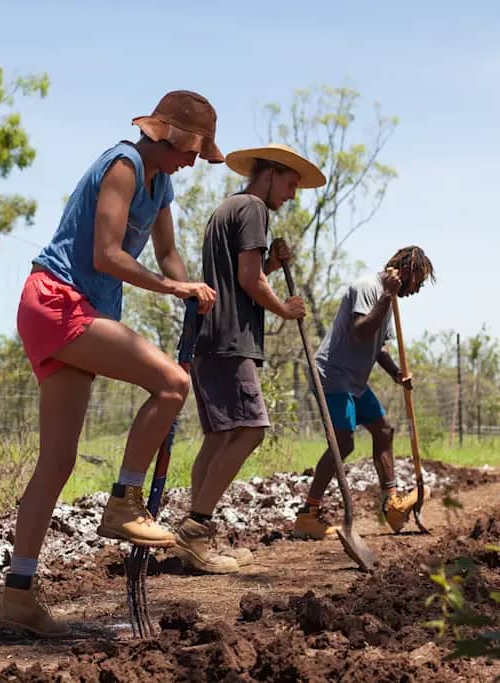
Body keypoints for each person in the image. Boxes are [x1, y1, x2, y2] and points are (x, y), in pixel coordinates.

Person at [0, 91, 223, 635]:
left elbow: (167, 253)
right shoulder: (123, 165)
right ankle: (124, 501)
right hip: (57, 301)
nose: (193, 160)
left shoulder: (160, 182)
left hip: (70, 308)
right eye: (192, 149)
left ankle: (17, 594)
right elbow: (106, 254)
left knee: (57, 462)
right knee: (172, 382)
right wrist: (172, 287)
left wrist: (188, 285)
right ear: (168, 135)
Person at [171, 144, 325, 573]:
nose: (292, 194)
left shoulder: (230, 208)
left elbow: (244, 277)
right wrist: (285, 308)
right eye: (291, 184)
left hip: (208, 335)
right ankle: (195, 531)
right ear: (271, 173)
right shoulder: (254, 207)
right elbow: (248, 279)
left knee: (220, 436)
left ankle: (193, 535)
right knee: (252, 429)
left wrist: (271, 265)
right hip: (229, 337)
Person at [293, 246, 436, 539]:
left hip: (354, 380)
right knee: (343, 443)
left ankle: (392, 503)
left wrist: (397, 373)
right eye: (418, 282)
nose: (417, 290)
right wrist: (386, 296)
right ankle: (308, 515)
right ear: (407, 270)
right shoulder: (367, 287)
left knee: (384, 430)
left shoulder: (389, 300)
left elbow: (378, 347)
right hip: (332, 373)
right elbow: (360, 331)